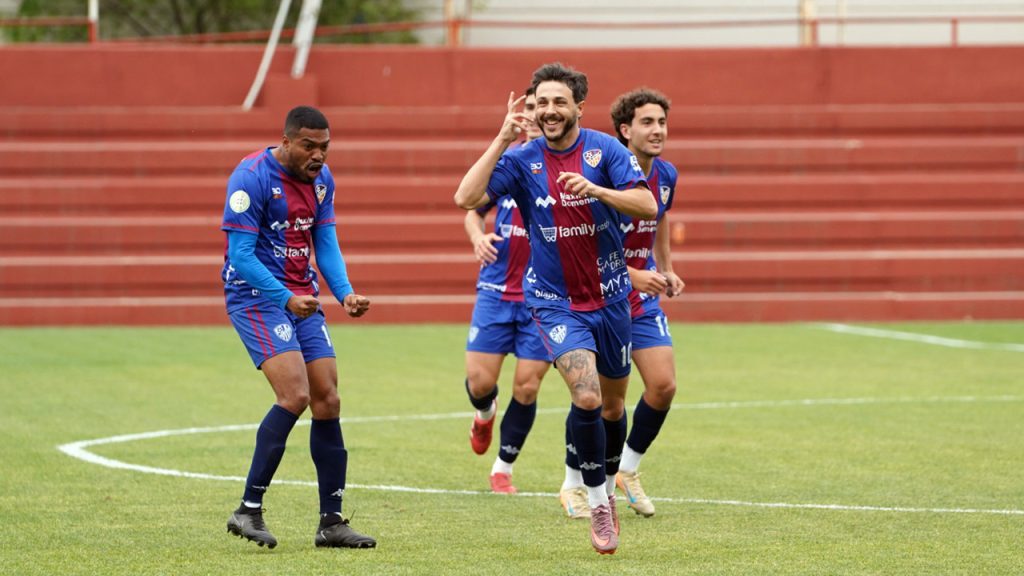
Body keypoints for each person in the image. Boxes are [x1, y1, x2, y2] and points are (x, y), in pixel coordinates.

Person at [454, 63, 657, 555]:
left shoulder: (605, 150)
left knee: (613, 406)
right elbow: (465, 197)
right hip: (554, 303)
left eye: (559, 102)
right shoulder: (522, 159)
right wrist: (502, 138)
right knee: (586, 397)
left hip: (612, 299)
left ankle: (607, 485)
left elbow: (648, 205)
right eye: (541, 102)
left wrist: (598, 191)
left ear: (578, 108)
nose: (548, 110)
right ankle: (597, 502)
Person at [220, 105, 376, 550]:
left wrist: (344, 293)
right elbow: (241, 256)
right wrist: (284, 297)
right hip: (256, 297)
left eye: (324, 147)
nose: (318, 155)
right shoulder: (250, 178)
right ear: (286, 141)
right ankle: (248, 509)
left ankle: (331, 522)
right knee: (295, 395)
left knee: (328, 398)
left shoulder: (322, 181)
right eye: (309, 146)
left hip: (300, 299)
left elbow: (325, 243)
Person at [558, 88, 683, 520]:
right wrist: (631, 274)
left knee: (663, 385)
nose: (658, 130)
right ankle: (572, 484)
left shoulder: (665, 174)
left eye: (662, 122)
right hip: (598, 294)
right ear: (625, 130)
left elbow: (659, 216)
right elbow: (581, 247)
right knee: (594, 396)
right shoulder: (604, 176)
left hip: (641, 299)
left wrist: (665, 267)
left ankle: (627, 469)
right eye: (647, 122)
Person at [463, 87, 552, 495]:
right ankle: (485, 414)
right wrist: (477, 236)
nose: (534, 114)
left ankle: (503, 468)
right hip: (496, 290)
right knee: (480, 383)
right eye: (529, 107)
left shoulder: (563, 166)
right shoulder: (508, 162)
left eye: (541, 107)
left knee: (528, 387)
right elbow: (471, 208)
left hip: (543, 297)